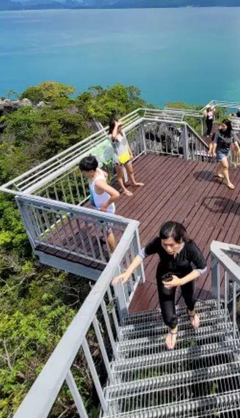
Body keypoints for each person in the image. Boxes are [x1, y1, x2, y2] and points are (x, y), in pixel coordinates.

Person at [113, 222, 206, 350]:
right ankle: (173, 329)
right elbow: (142, 253)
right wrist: (128, 272)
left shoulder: (190, 247)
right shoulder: (158, 243)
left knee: (190, 299)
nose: (167, 249)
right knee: (167, 312)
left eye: (171, 245)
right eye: (164, 245)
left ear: (181, 240)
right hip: (165, 275)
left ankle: (192, 312)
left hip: (185, 275)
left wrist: (181, 281)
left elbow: (202, 268)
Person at [78, 155, 120, 251]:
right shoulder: (98, 171)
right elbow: (106, 174)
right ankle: (105, 235)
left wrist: (105, 206)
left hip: (104, 211)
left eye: (83, 171)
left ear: (91, 171)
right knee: (104, 228)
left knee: (108, 232)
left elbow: (116, 194)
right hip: (100, 209)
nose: (82, 173)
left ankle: (114, 253)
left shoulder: (98, 182)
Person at [108, 117, 144, 196]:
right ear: (114, 128)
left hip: (125, 155)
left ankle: (133, 182)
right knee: (120, 175)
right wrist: (116, 125)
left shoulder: (120, 134)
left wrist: (130, 152)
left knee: (130, 171)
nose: (120, 128)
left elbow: (125, 143)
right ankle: (124, 189)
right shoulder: (111, 136)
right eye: (118, 127)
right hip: (118, 158)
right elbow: (114, 136)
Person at [208, 119, 236, 189]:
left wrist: (237, 149)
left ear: (228, 126)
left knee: (222, 163)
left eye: (223, 126)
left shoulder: (231, 133)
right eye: (221, 125)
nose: (222, 127)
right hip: (219, 151)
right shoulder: (218, 133)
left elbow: (235, 141)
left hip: (227, 151)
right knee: (226, 166)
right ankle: (228, 182)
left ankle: (217, 172)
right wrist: (213, 151)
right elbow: (214, 142)